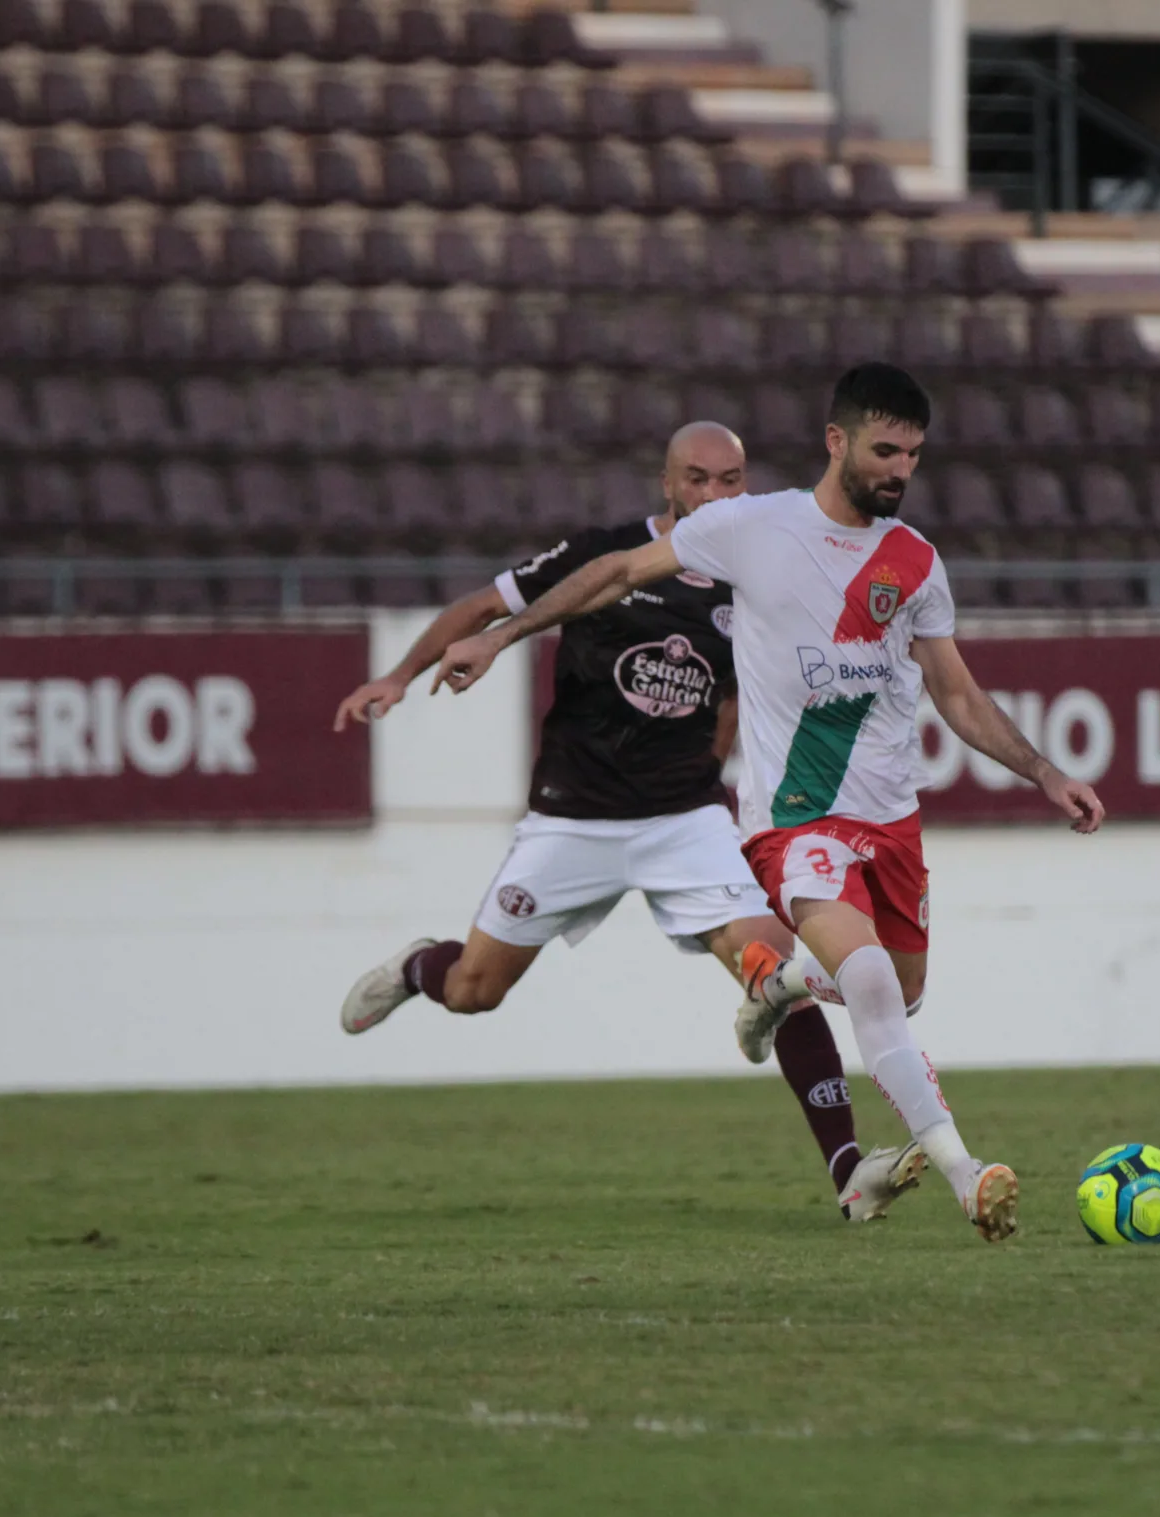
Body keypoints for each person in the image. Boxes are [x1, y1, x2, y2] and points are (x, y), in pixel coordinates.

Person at [428, 363, 1108, 1242]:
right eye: (884, 449)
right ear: (837, 441)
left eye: (913, 454)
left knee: (903, 991)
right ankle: (966, 1173)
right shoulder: (752, 527)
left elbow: (959, 694)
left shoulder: (915, 563)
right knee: (868, 983)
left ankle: (785, 980)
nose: (900, 469)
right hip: (795, 818)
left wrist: (1047, 773)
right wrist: (501, 637)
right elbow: (617, 571)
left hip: (890, 820)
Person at [331, 422, 910, 1223]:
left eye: (732, 480)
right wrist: (400, 675)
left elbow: (750, 693)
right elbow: (481, 604)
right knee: (473, 990)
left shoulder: (754, 572)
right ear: (668, 484)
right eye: (699, 480)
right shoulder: (605, 554)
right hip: (573, 816)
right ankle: (418, 967)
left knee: (777, 975)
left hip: (684, 820)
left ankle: (849, 1170)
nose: (715, 495)